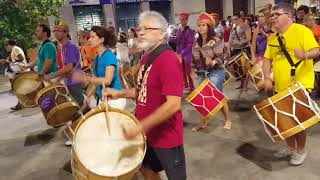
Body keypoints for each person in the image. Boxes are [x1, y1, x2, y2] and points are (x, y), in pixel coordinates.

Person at [104, 11, 186, 180]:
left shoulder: (168, 59)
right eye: (139, 28)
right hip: (147, 133)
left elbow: (173, 105)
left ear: (162, 33)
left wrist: (138, 127)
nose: (140, 32)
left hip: (166, 136)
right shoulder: (147, 57)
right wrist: (119, 93)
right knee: (145, 168)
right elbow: (142, 91)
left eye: (147, 28)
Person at [263, 3, 320, 166]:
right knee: (285, 120)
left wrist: (305, 54)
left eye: (276, 14)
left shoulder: (302, 31)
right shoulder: (273, 38)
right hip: (280, 86)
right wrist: (267, 77)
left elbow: (316, 50)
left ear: (289, 16)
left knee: (299, 120)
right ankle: (290, 147)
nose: (272, 18)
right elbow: (267, 59)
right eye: (272, 15)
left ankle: (300, 150)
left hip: (301, 84)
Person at [45, 22, 85, 146]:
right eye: (55, 30)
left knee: (76, 110)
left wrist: (52, 76)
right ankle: (81, 133)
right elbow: (65, 69)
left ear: (66, 32)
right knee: (79, 108)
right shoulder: (62, 48)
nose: (56, 33)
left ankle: (79, 136)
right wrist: (57, 80)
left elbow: (68, 67)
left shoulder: (70, 47)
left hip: (75, 82)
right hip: (70, 81)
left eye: (59, 30)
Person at [191, 12, 232, 131]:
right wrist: (192, 70)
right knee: (200, 97)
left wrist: (213, 62)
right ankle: (202, 123)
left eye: (204, 25)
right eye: (199, 25)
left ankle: (228, 119)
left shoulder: (216, 40)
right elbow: (194, 59)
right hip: (201, 72)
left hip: (216, 71)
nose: (201, 27)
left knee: (216, 95)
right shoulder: (196, 42)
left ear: (209, 27)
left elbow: (221, 58)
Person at [73, 26, 126, 109]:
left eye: (92, 37)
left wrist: (87, 78)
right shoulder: (97, 57)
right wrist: (88, 96)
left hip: (115, 99)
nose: (89, 40)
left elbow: (108, 80)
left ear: (102, 40)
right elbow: (97, 80)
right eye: (90, 37)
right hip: (105, 99)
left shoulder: (109, 56)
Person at [1, 40, 28, 111]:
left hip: (20, 71)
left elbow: (21, 58)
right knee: (19, 89)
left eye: (6, 46)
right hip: (20, 71)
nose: (7, 48)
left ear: (9, 45)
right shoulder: (14, 50)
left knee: (17, 88)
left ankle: (20, 104)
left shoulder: (15, 49)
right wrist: (7, 61)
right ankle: (21, 103)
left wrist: (10, 62)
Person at [228, 13, 252, 89]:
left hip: (243, 48)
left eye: (235, 19)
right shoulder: (233, 27)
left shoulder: (245, 26)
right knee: (237, 68)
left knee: (245, 67)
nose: (233, 21)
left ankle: (246, 83)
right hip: (235, 49)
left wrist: (240, 42)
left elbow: (249, 38)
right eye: (232, 19)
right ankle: (242, 83)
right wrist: (229, 47)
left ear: (239, 19)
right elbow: (230, 38)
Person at [176, 12, 195, 92]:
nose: (181, 21)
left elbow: (190, 44)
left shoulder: (190, 31)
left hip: (187, 54)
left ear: (187, 20)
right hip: (179, 53)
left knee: (188, 71)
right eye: (180, 20)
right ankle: (185, 85)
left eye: (183, 20)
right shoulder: (178, 30)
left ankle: (192, 87)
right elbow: (177, 41)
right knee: (182, 70)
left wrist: (182, 53)